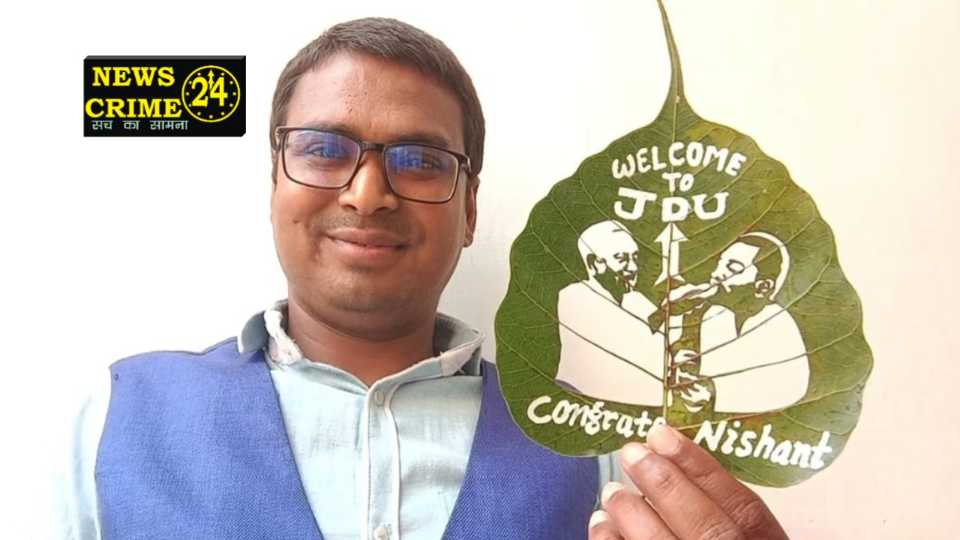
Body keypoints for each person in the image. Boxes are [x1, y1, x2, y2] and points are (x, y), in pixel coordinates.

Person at [57, 17, 789, 540]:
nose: (367, 194)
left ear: (469, 210)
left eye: (420, 161)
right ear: (274, 183)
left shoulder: (594, 449)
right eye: (323, 149)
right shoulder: (116, 418)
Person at [662, 232, 810, 414]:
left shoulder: (778, 323)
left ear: (762, 287)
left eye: (733, 269)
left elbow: (792, 388)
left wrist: (715, 393)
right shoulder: (713, 315)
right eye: (720, 264)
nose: (715, 274)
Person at [554, 219, 666, 405]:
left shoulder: (636, 300)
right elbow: (623, 340)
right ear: (594, 263)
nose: (633, 268)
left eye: (635, 258)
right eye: (621, 259)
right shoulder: (575, 295)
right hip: (587, 402)